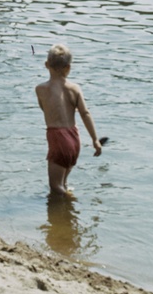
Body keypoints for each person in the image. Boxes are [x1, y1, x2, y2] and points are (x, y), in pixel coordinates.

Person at [35, 44, 103, 197]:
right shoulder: (75, 88)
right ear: (68, 67)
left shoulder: (40, 89)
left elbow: (44, 109)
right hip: (73, 138)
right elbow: (85, 113)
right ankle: (67, 217)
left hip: (58, 139)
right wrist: (95, 140)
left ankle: (69, 203)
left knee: (55, 186)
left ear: (46, 65)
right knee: (63, 182)